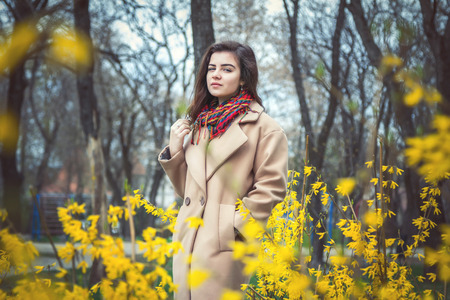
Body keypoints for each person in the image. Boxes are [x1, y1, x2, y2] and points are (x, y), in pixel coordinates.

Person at [158, 41, 288, 300]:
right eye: (211, 68)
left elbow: (272, 187)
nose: (215, 74)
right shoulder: (200, 124)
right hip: (188, 239)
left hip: (226, 245)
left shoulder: (264, 127)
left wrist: (233, 227)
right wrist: (176, 149)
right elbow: (189, 191)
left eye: (227, 69)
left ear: (243, 78)